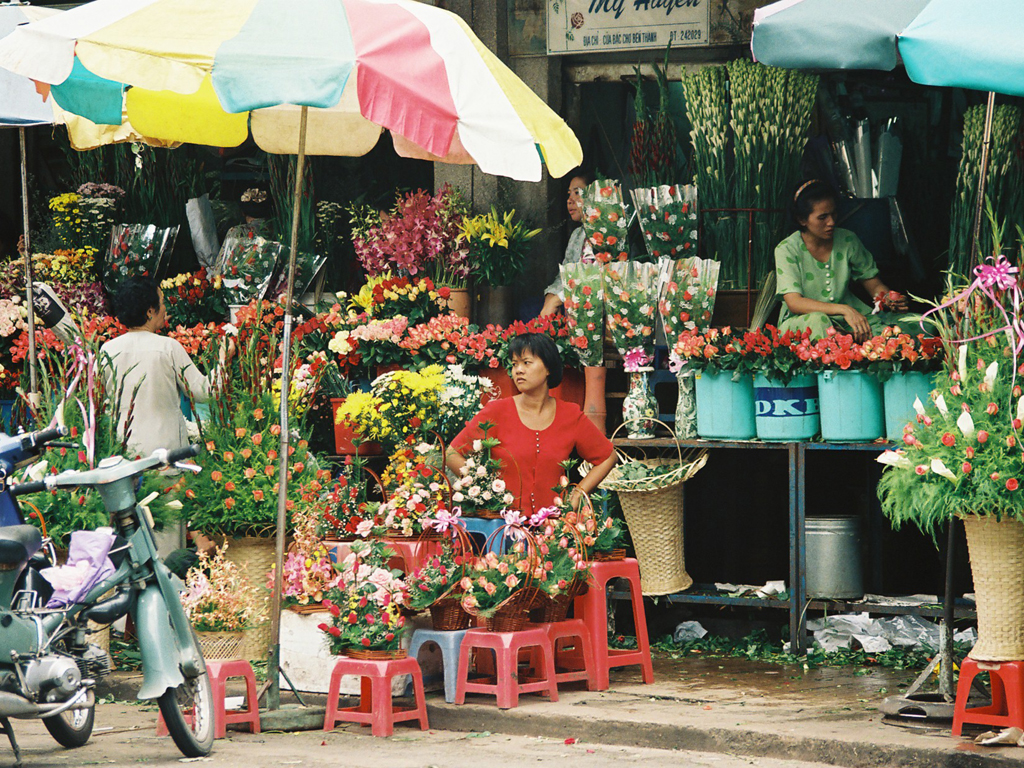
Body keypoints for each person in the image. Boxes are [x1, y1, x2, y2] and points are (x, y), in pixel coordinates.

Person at [447, 333, 616, 515]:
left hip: (553, 530)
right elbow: (451, 453)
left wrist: (577, 495)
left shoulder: (570, 415)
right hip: (503, 527)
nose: (518, 370)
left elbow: (608, 457)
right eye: (514, 364)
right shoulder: (497, 411)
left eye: (526, 363)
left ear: (548, 368)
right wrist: (482, 489)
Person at [100, 276, 231, 460]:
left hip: (124, 458)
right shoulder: (168, 348)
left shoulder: (108, 350)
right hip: (168, 457)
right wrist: (224, 358)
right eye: (161, 303)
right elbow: (204, 392)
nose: (165, 308)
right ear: (150, 311)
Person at [775, 179, 906, 342]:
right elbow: (794, 303)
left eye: (833, 214)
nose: (831, 222)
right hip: (803, 320)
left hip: (848, 317)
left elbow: (873, 284)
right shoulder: (787, 249)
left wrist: (888, 298)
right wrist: (844, 309)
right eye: (822, 217)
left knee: (910, 327)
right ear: (802, 220)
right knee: (818, 321)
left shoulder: (847, 240)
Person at [540, 168, 595, 317]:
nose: (570, 200)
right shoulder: (577, 234)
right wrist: (551, 296)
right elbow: (564, 274)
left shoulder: (603, 235)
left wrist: (558, 300)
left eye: (577, 193)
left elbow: (593, 278)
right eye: (569, 194)